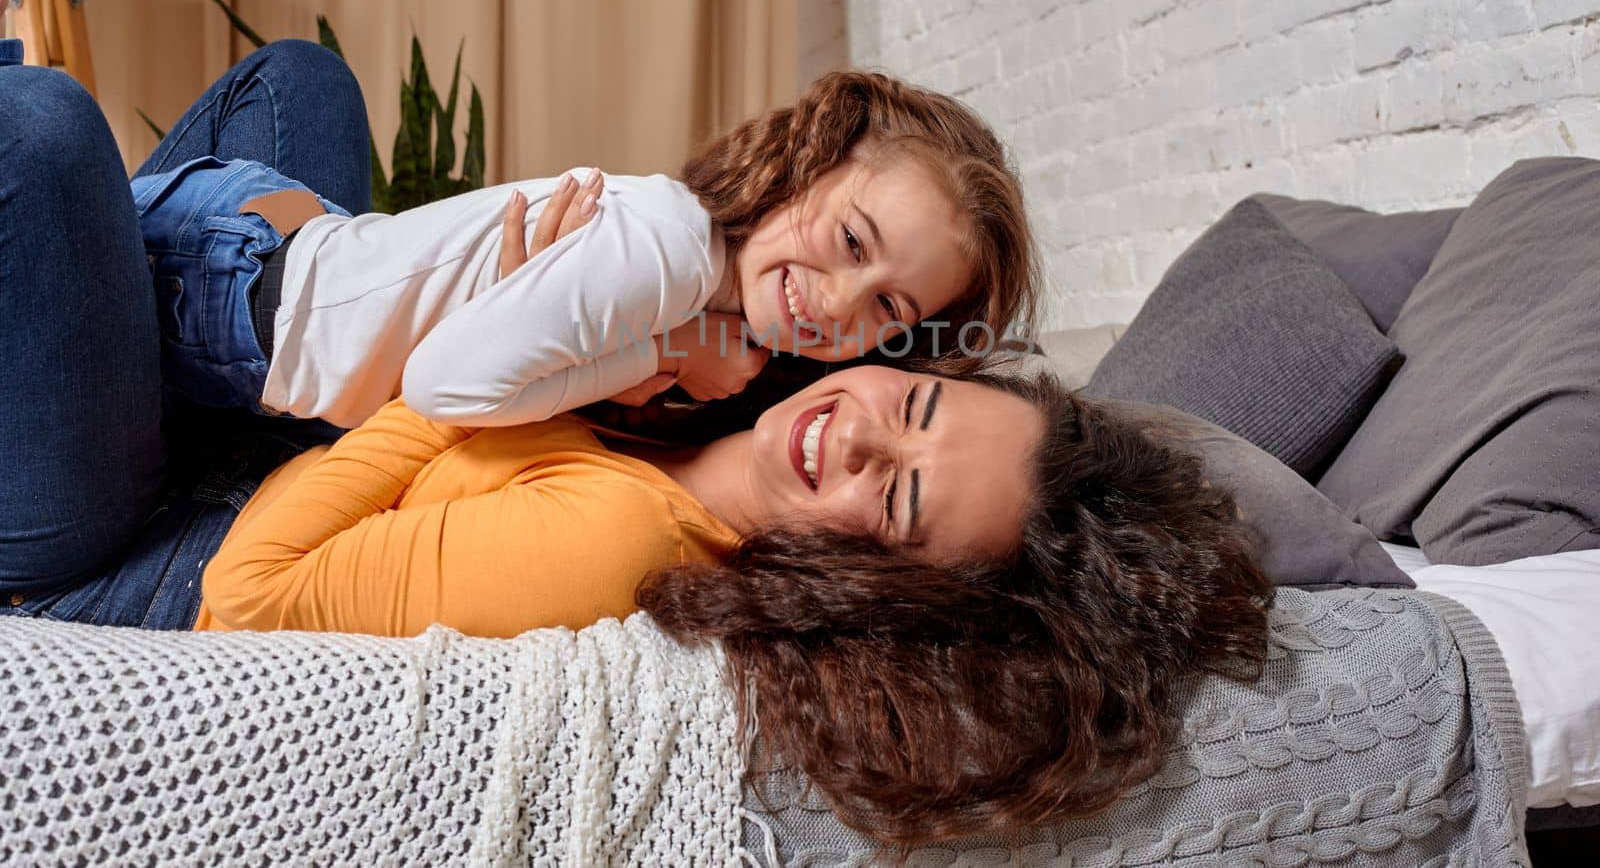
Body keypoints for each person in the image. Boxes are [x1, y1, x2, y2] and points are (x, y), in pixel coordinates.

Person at [0, 52, 1270, 848]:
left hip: (157, 548)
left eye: (901, 505)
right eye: (917, 405)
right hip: (280, 410)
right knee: (297, 85)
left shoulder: (623, 537)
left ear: (889, 577)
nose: (864, 437)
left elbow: (251, 594)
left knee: (47, 134)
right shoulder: (747, 368)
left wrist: (478, 334)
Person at [131, 41, 1038, 429]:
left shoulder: (709, 283)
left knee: (298, 80)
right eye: (849, 238)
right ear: (808, 160)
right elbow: (444, 387)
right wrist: (665, 356)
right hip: (229, 309)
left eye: (888, 302)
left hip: (274, 272)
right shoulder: (671, 256)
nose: (839, 300)